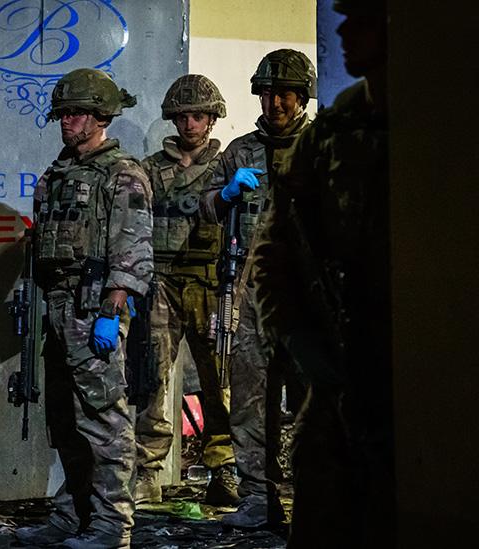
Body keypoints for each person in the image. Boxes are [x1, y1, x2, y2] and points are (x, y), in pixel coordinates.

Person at [253, 1, 391, 545]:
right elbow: (275, 243)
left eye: (363, 20)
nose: (343, 30)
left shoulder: (446, 122)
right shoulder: (333, 134)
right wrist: (293, 330)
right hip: (344, 363)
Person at [14, 68, 153, 549]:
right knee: (65, 416)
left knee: (104, 418)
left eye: (75, 113)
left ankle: (113, 523)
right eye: (62, 114)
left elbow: (134, 249)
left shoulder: (123, 173)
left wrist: (113, 311)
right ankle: (74, 510)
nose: (66, 122)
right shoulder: (55, 174)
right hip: (56, 305)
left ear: (100, 116)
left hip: (94, 305)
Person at [200, 49, 316, 529]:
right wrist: (223, 194)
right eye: (266, 94)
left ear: (301, 96)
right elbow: (202, 207)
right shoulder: (240, 151)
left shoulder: (322, 146)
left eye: (283, 94)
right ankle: (256, 500)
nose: (273, 104)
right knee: (250, 401)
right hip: (251, 295)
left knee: (313, 401)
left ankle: (315, 503)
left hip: (311, 293)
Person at [133, 74, 239, 507]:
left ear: (212, 120)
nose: (190, 124)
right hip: (159, 282)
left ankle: (224, 468)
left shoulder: (227, 168)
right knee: (150, 380)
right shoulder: (150, 168)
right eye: (182, 116)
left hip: (210, 283)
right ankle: (146, 470)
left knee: (219, 382)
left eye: (198, 115)